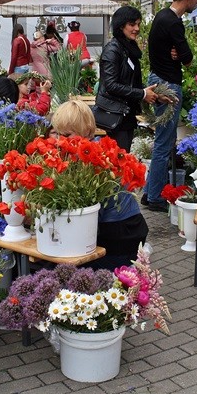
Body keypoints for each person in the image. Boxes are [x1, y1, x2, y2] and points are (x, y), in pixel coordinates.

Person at [50, 99, 148, 270]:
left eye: (66, 135)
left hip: (120, 234)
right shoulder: (91, 149)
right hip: (124, 227)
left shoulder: (94, 160)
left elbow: (89, 215)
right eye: (57, 134)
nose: (59, 141)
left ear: (87, 131)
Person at [142, 0, 197, 212]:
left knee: (162, 142)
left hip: (158, 79)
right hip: (168, 84)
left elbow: (171, 51)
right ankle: (154, 196)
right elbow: (187, 58)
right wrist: (181, 55)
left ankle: (149, 192)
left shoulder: (161, 16)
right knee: (164, 144)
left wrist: (175, 53)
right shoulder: (174, 22)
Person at [96, 5, 160, 152]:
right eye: (132, 24)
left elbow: (130, 81)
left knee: (122, 158)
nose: (137, 28)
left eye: (138, 24)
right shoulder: (113, 50)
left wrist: (148, 93)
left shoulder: (127, 47)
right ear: (120, 26)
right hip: (116, 116)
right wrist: (142, 93)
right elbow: (111, 85)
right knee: (118, 160)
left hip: (125, 115)